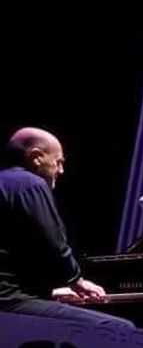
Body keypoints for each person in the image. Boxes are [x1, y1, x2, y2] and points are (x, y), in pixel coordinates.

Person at [0, 127, 132, 329]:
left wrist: (49, 292)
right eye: (58, 162)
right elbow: (50, 243)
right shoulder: (30, 183)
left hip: (10, 295)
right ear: (36, 157)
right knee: (119, 329)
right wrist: (76, 280)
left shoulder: (6, 184)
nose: (61, 171)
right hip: (8, 303)